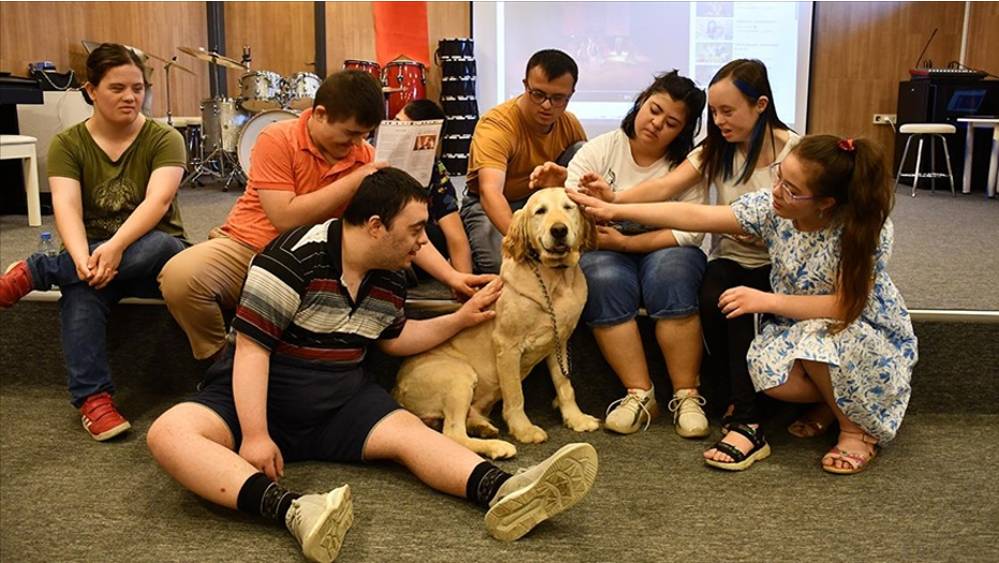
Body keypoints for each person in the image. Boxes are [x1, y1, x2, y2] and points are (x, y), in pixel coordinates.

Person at [146, 169, 598, 562]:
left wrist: (460, 318)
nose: (424, 242)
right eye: (416, 230)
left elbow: (396, 338)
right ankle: (294, 510)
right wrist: (258, 434)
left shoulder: (389, 274)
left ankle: (505, 489)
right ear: (378, 226)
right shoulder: (291, 258)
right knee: (169, 432)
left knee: (412, 434)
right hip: (262, 394)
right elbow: (250, 352)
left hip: (341, 397)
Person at [569, 135, 917, 473]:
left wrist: (767, 300)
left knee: (817, 345)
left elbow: (844, 306)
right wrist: (616, 207)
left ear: (825, 203)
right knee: (769, 375)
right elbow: (694, 216)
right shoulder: (773, 208)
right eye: (780, 177)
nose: (777, 191)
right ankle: (830, 402)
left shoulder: (860, 228)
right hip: (799, 323)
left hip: (858, 326)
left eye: (792, 189)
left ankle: (856, 432)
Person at [158, 71, 491, 362]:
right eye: (349, 133)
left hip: (317, 265)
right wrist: (355, 180)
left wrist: (451, 277)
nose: (357, 143)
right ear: (320, 114)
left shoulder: (366, 156)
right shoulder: (278, 137)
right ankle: (221, 361)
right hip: (248, 245)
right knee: (180, 277)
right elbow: (285, 218)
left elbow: (401, 230)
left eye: (364, 135)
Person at [574, 59, 801, 456]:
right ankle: (723, 400)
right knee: (718, 295)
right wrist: (615, 200)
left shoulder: (794, 151)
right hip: (733, 255)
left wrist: (617, 211)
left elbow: (817, 212)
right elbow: (665, 190)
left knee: (728, 296)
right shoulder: (715, 149)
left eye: (727, 111)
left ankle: (744, 413)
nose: (719, 120)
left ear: (761, 104)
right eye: (714, 112)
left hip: (785, 260)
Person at [0, 43, 188, 441]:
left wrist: (116, 246)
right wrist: (84, 259)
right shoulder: (69, 143)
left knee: (160, 246)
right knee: (81, 291)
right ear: (91, 90)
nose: (131, 97)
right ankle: (94, 400)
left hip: (153, 255)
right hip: (95, 258)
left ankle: (39, 269)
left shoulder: (164, 138)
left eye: (137, 88)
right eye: (117, 88)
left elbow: (159, 202)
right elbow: (66, 207)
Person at [529, 71, 712, 437]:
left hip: (663, 248)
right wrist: (605, 234)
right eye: (654, 110)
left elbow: (688, 230)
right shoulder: (600, 149)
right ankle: (640, 393)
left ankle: (687, 395)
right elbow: (571, 210)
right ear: (641, 102)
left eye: (671, 122)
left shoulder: (687, 166)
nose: (657, 124)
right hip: (602, 247)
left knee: (672, 273)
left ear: (684, 130)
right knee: (602, 277)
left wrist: (627, 242)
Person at [460, 49, 588, 274]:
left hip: (541, 202)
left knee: (582, 151)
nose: (547, 105)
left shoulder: (570, 124)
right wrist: (525, 242)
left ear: (571, 94)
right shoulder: (497, 124)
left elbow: (588, 186)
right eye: (538, 94)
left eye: (558, 98)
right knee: (503, 264)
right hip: (493, 202)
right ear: (525, 85)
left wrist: (563, 180)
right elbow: (490, 192)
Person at [395, 99, 473, 274]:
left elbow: (455, 235)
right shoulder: (370, 157)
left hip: (420, 244)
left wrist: (464, 281)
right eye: (396, 123)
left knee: (438, 234)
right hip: (381, 239)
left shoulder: (435, 171)